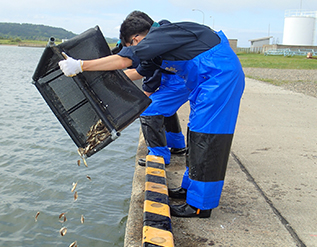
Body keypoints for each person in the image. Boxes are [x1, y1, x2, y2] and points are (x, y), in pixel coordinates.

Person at [59, 11, 245, 218]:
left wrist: (81, 66)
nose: (133, 49)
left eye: (131, 46)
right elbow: (137, 70)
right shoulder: (158, 49)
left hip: (219, 78)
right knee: (196, 133)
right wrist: (100, 82)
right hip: (204, 82)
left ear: (136, 39)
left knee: (207, 137)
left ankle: (200, 206)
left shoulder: (162, 35)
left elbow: (124, 61)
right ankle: (189, 188)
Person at [115, 11, 186, 167]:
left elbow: (148, 82)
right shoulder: (163, 26)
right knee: (165, 107)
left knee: (149, 108)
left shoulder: (153, 46)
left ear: (136, 38)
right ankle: (176, 144)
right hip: (177, 76)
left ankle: (158, 156)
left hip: (183, 79)